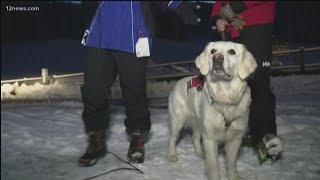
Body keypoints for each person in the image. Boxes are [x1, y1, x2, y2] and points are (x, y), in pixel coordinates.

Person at [78, 1, 200, 167]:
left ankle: (137, 137)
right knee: (93, 90)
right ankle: (96, 139)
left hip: (133, 35)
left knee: (134, 90)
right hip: (100, 35)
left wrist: (179, 5)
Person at [210, 1, 282, 164]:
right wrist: (216, 18)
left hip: (256, 25)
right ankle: (248, 131)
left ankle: (266, 139)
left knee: (258, 81)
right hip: (232, 29)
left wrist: (232, 7)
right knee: (237, 86)